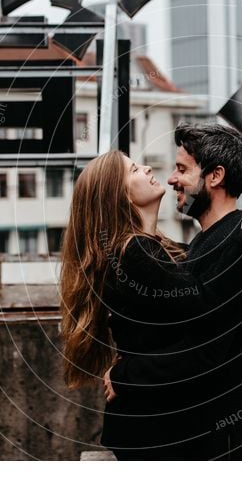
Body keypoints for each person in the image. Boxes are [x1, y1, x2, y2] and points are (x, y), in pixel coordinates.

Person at [105, 121, 242, 460]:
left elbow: (207, 350)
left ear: (214, 176)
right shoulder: (207, 240)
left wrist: (126, 374)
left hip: (235, 440)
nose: (172, 178)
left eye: (182, 169)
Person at [59, 149, 217, 460]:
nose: (146, 168)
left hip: (151, 421)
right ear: (118, 197)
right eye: (133, 170)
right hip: (158, 428)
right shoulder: (135, 254)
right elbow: (205, 315)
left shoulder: (154, 249)